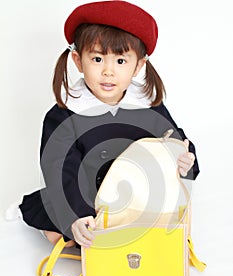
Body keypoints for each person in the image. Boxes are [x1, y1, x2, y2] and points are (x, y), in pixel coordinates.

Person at [14, 1, 199, 249]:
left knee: (149, 236)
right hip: (82, 197)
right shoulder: (65, 114)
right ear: (79, 61)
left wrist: (183, 160)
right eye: (98, 59)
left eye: (121, 61)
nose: (108, 72)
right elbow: (59, 169)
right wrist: (75, 217)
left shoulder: (148, 106)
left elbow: (174, 141)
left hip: (135, 198)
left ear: (139, 66)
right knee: (67, 237)